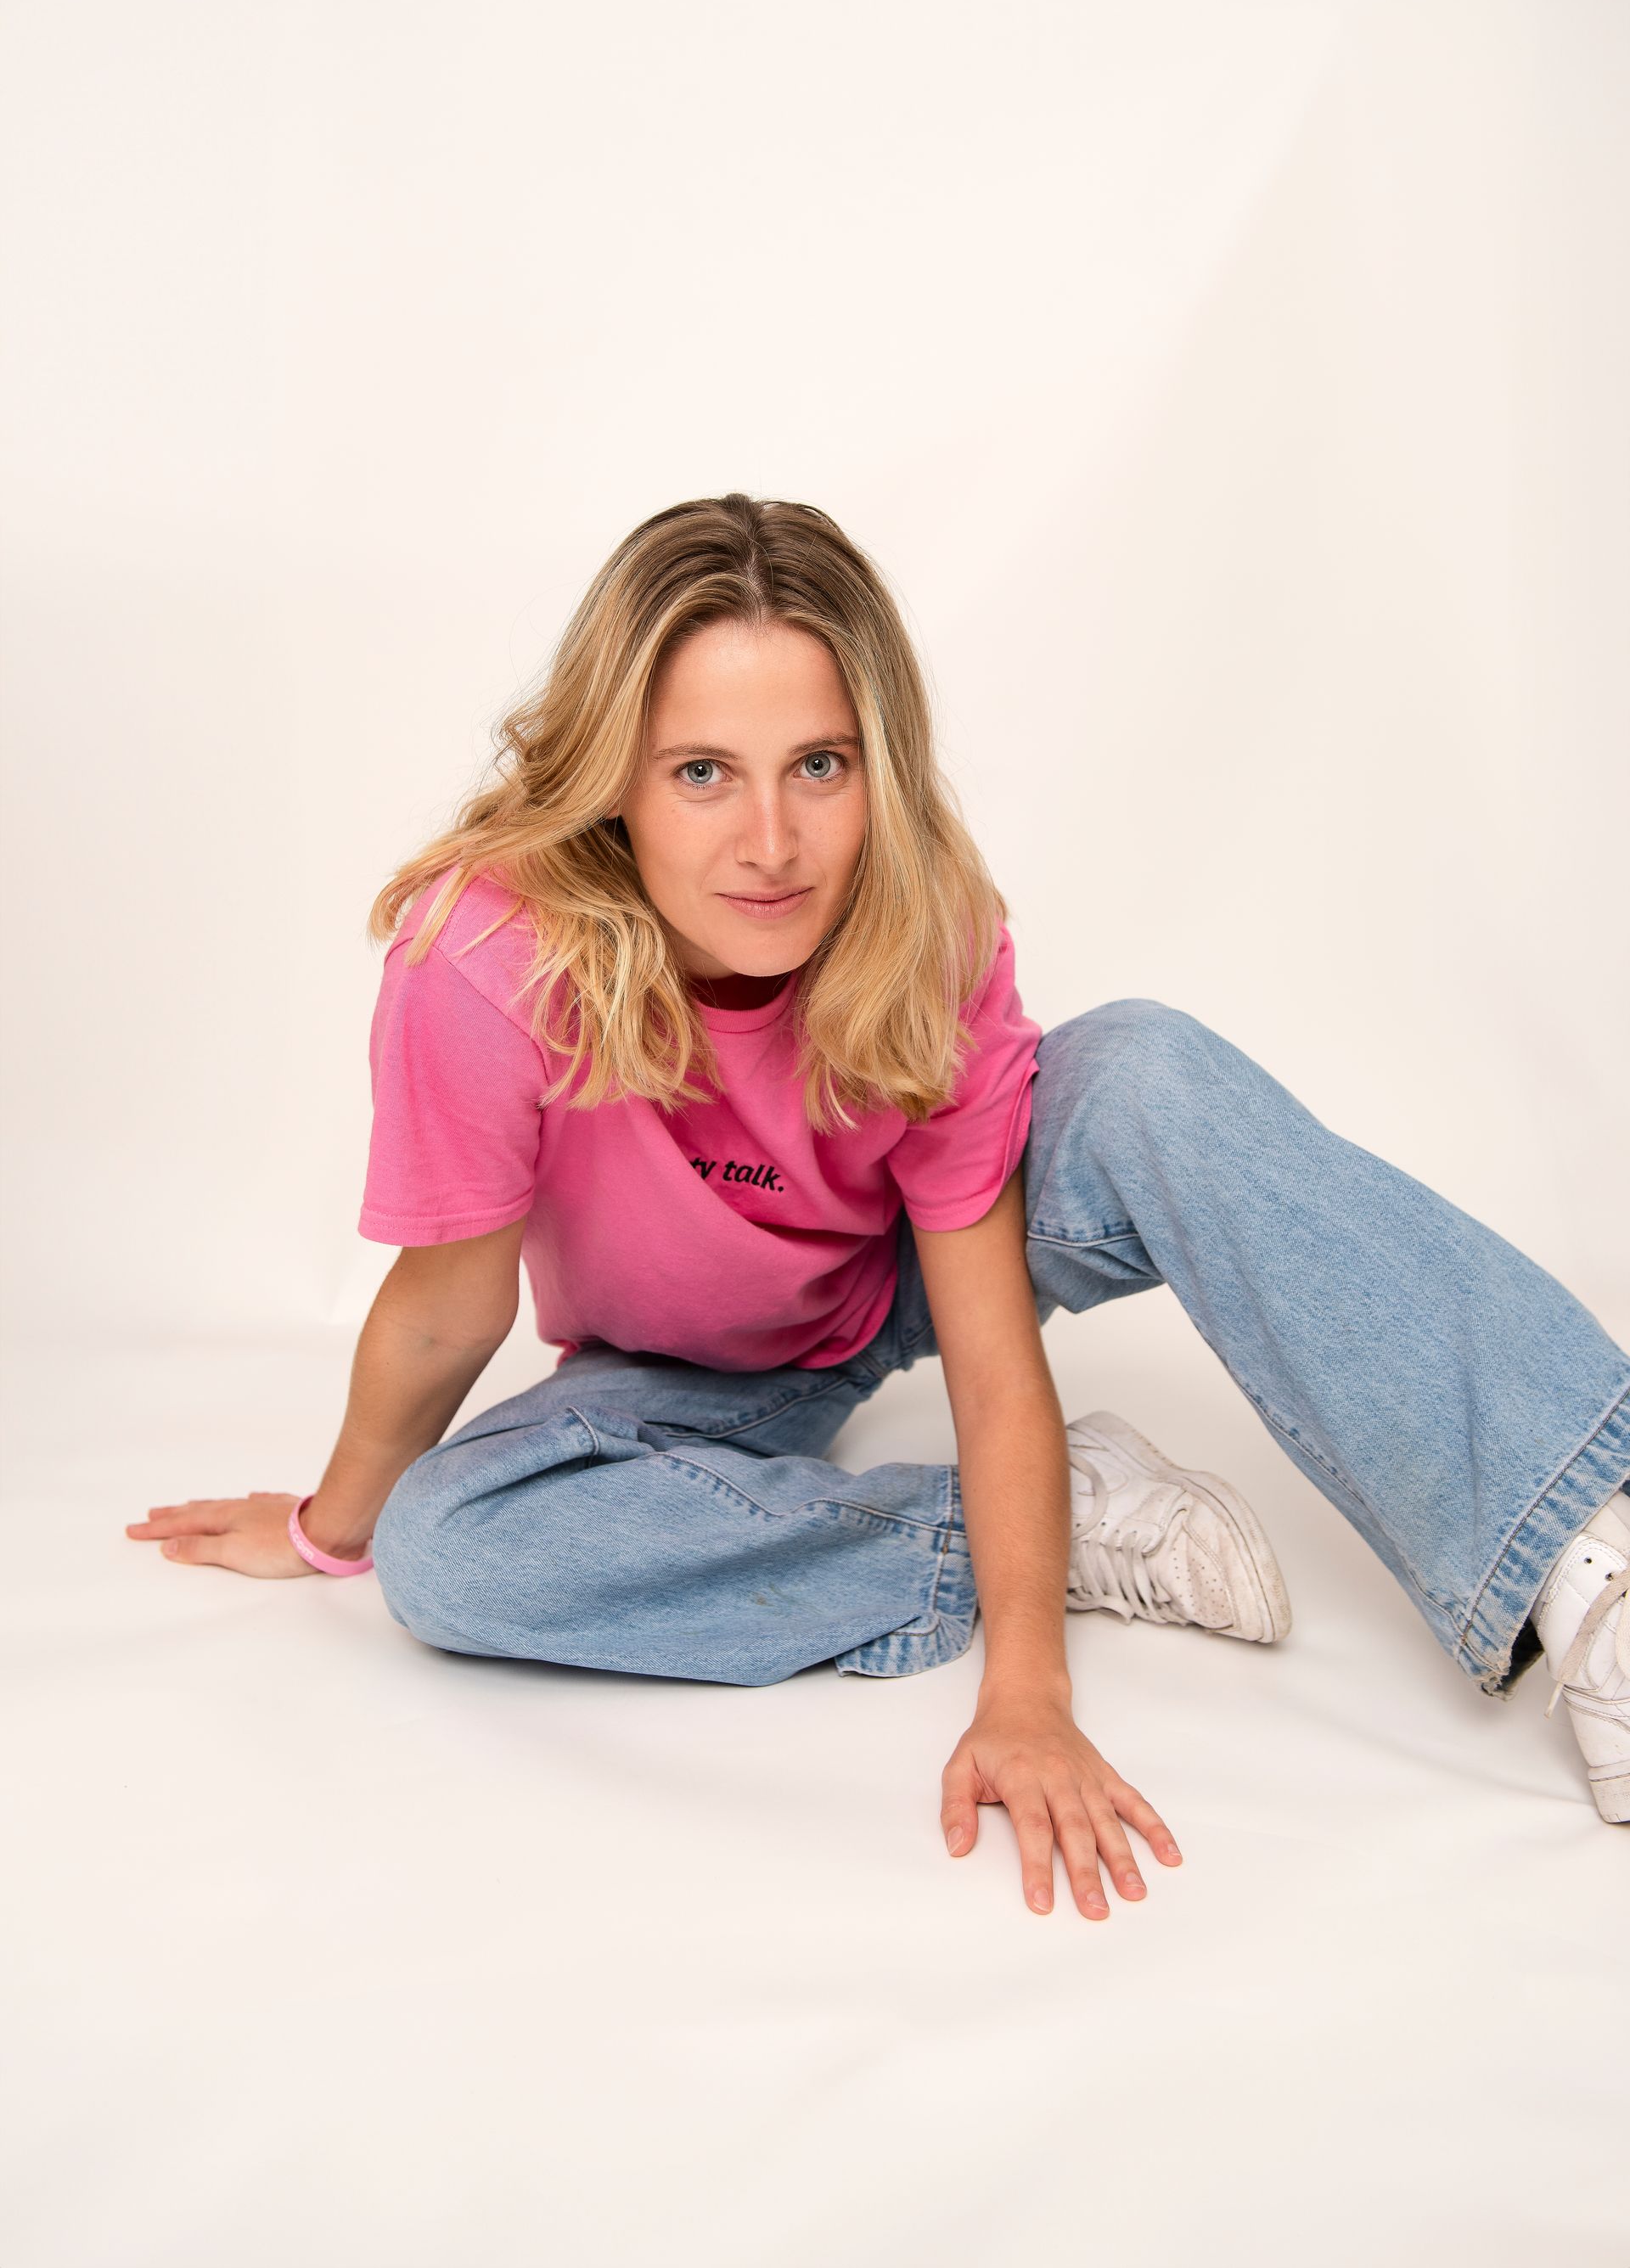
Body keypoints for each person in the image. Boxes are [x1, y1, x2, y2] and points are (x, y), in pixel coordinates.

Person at [126, 492, 1630, 1911]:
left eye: (820, 766)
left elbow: (987, 1348)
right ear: (613, 779)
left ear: (878, 770)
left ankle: (1586, 1559)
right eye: (702, 771)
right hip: (678, 1367)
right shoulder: (484, 956)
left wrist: (1025, 1694)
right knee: (447, 1551)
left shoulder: (921, 927)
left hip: (897, 1270)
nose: (771, 843)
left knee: (1143, 1068)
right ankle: (1045, 1519)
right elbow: (449, 1305)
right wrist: (332, 1530)